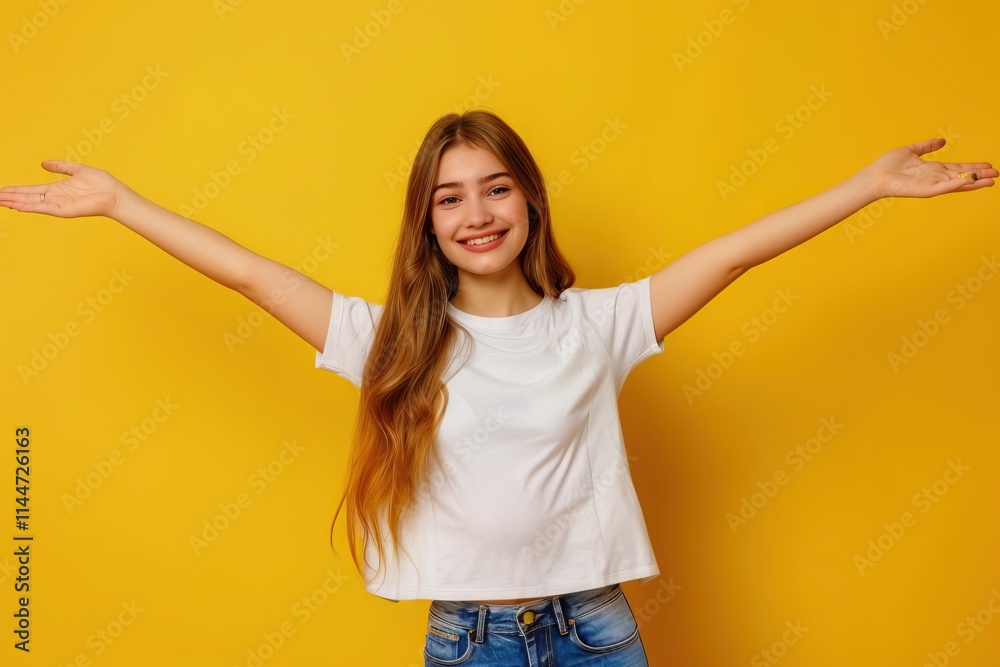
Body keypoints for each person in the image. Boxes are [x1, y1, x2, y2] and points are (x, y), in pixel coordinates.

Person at [1, 110, 994, 666]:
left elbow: (732, 255)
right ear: (427, 225)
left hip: (596, 630)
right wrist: (122, 203)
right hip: (467, 639)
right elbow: (253, 277)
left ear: (530, 200)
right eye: (449, 197)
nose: (476, 212)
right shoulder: (393, 342)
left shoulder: (599, 324)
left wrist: (867, 186)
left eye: (496, 187)